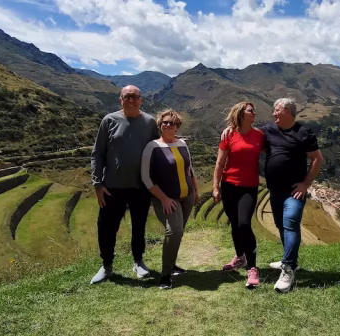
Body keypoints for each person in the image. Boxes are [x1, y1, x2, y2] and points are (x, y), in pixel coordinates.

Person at [90, 85, 158, 284]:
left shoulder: (150, 122)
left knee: (139, 226)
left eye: (135, 96)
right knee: (106, 227)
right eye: (127, 96)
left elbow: (157, 151)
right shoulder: (109, 121)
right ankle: (106, 265)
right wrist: (97, 183)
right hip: (113, 186)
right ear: (120, 100)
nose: (131, 100)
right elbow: (97, 154)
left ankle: (138, 261)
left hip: (141, 186)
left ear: (141, 100)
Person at [263, 98, 323, 293]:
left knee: (290, 222)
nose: (273, 114)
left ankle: (288, 268)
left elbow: (317, 159)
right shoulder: (268, 131)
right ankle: (288, 260)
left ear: (287, 111)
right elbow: (257, 142)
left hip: (293, 191)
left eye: (277, 111)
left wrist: (306, 184)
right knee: (281, 225)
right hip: (274, 189)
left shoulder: (304, 133)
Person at [141, 110, 199, 290]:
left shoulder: (182, 144)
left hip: (186, 196)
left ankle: (172, 264)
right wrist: (164, 198)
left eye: (171, 123)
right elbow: (146, 177)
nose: (167, 125)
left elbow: (189, 170)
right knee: (173, 231)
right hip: (167, 199)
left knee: (179, 232)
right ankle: (166, 274)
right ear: (159, 125)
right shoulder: (152, 147)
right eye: (164, 122)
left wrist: (195, 191)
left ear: (177, 126)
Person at [213, 102, 264, 288]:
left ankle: (252, 267)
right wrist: (215, 187)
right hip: (229, 186)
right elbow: (220, 163)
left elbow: (275, 151)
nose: (254, 113)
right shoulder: (229, 135)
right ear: (241, 114)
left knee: (244, 223)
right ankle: (239, 257)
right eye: (251, 110)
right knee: (235, 224)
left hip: (249, 187)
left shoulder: (259, 135)